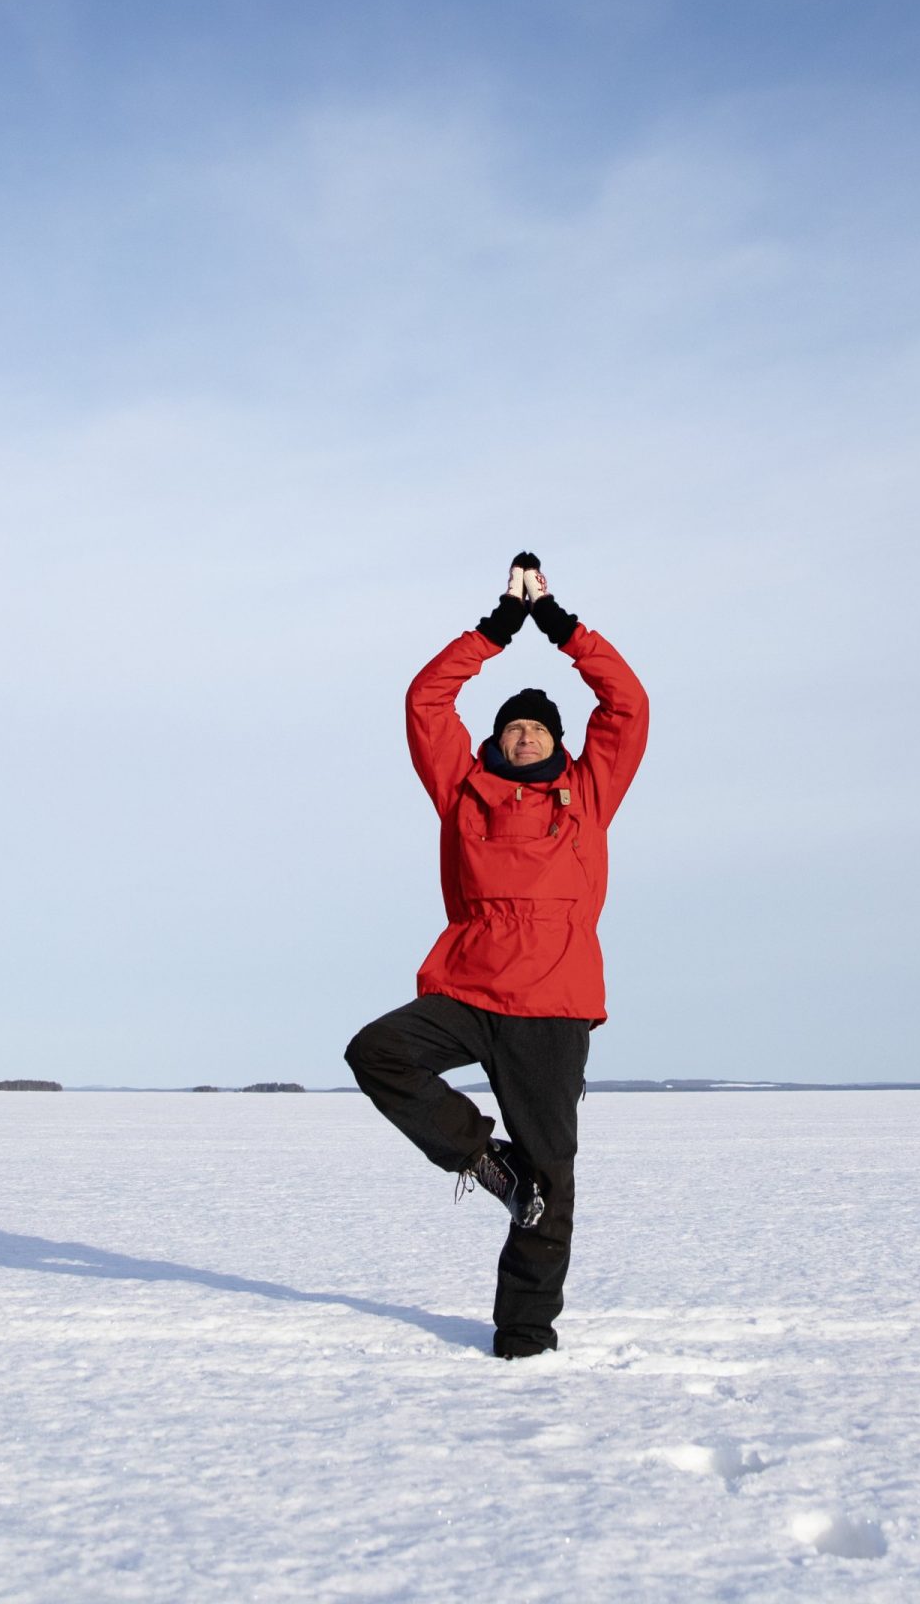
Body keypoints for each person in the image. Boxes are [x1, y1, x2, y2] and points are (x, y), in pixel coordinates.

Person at [345, 554, 651, 1359]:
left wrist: (559, 626)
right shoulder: (464, 790)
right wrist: (496, 629)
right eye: (512, 726)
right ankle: (487, 1160)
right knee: (376, 1052)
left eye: (537, 726)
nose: (523, 734)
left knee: (552, 1185)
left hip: (553, 1002)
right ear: (495, 739)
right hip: (470, 988)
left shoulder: (588, 793)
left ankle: (523, 1338)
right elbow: (426, 700)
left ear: (556, 739)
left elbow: (628, 703)